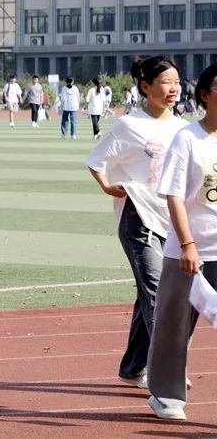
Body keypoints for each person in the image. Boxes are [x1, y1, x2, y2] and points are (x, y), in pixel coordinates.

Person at [85, 56, 186, 397]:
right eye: (166, 82)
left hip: (171, 220)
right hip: (138, 217)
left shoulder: (182, 128)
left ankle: (133, 368)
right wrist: (107, 186)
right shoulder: (128, 125)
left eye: (177, 82)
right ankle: (166, 372)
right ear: (145, 86)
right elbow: (95, 160)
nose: (174, 88)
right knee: (159, 295)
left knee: (151, 293)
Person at [148, 63, 217, 421]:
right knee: (174, 326)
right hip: (189, 251)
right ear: (205, 94)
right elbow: (173, 194)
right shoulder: (187, 138)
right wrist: (187, 244)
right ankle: (165, 394)